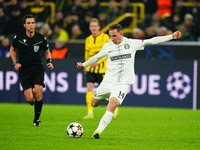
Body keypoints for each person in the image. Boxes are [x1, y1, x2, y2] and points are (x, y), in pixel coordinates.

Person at [77, 23, 181, 139]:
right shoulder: (108, 45)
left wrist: (171, 36)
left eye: (114, 36)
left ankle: (98, 131)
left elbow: (151, 41)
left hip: (122, 84)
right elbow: (97, 57)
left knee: (113, 103)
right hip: (108, 81)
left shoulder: (132, 43)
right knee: (93, 103)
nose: (112, 38)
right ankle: (106, 97)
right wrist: (84, 64)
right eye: (110, 36)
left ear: (121, 33)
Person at [10, 14, 54, 127]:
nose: (31, 25)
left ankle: (36, 120)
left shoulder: (41, 38)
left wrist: (49, 61)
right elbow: (12, 49)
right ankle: (33, 103)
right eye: (28, 23)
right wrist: (15, 62)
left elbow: (47, 51)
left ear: (35, 25)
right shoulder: (18, 37)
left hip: (38, 69)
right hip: (24, 70)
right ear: (25, 25)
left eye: (32, 23)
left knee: (38, 94)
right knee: (30, 98)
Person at [83, 18, 121, 120]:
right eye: (92, 26)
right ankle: (90, 113)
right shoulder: (88, 39)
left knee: (108, 91)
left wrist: (98, 62)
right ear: (90, 28)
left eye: (96, 26)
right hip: (91, 69)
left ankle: (114, 109)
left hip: (103, 70)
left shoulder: (105, 37)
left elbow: (109, 52)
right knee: (89, 88)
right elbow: (87, 54)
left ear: (99, 27)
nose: (94, 28)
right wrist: (86, 65)